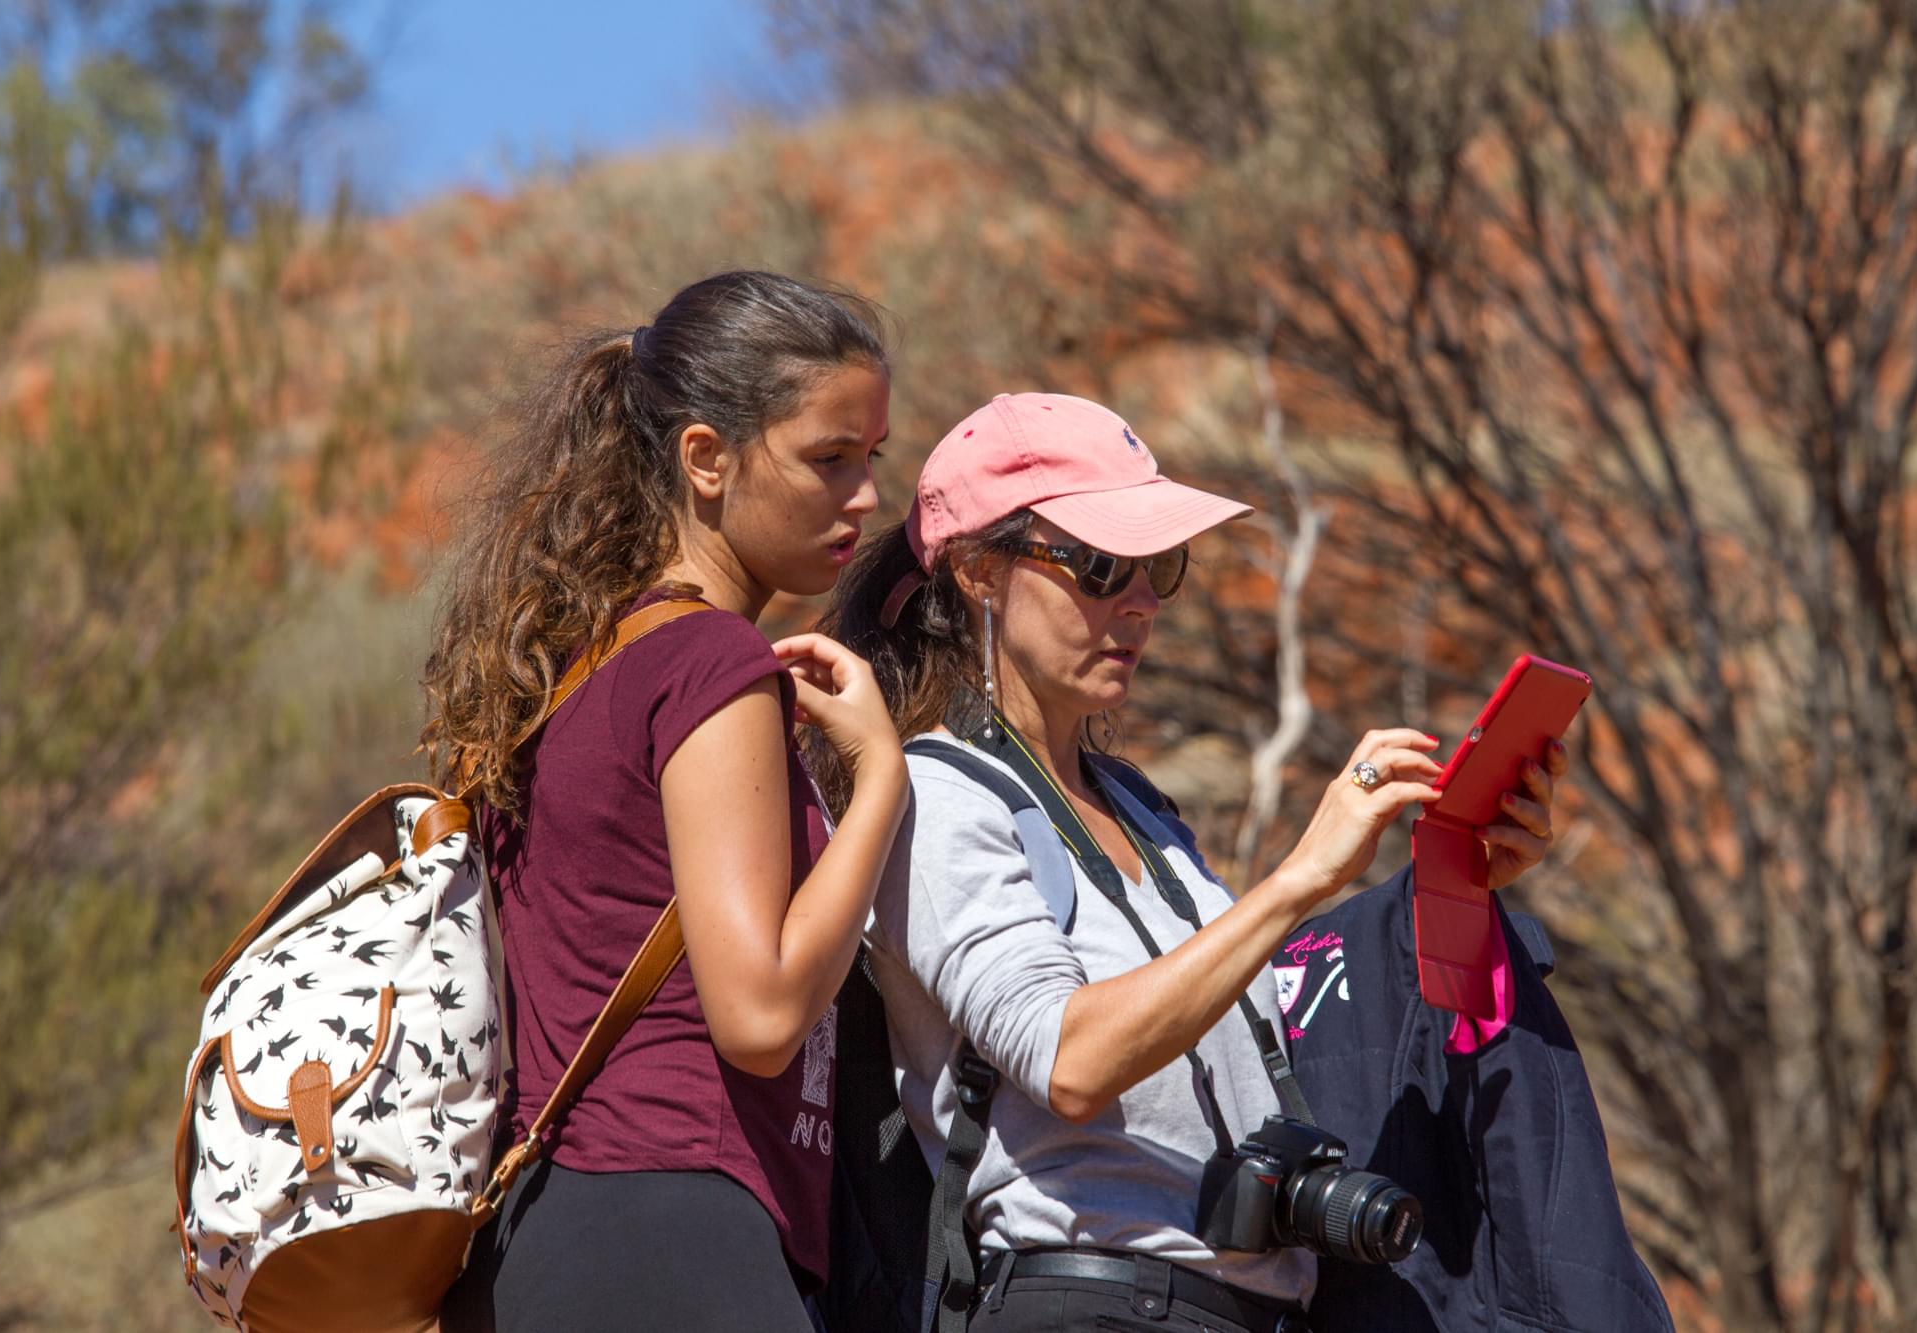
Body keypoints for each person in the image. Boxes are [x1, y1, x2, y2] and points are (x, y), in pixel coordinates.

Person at [810, 392, 1574, 1333]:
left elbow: (1264, 1019)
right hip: (1087, 1299)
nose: (1136, 602)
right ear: (977, 572)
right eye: (1098, 566)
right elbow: (1072, 1059)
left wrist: (1453, 878)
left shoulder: (1141, 809)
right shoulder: (937, 794)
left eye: (1156, 567)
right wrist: (1298, 879)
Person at [425, 271, 909, 1332]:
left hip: (540, 1248)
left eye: (869, 458)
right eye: (828, 458)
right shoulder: (709, 660)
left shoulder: (563, 670)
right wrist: (880, 780)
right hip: (674, 1230)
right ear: (705, 458)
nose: (865, 495)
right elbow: (761, 1013)